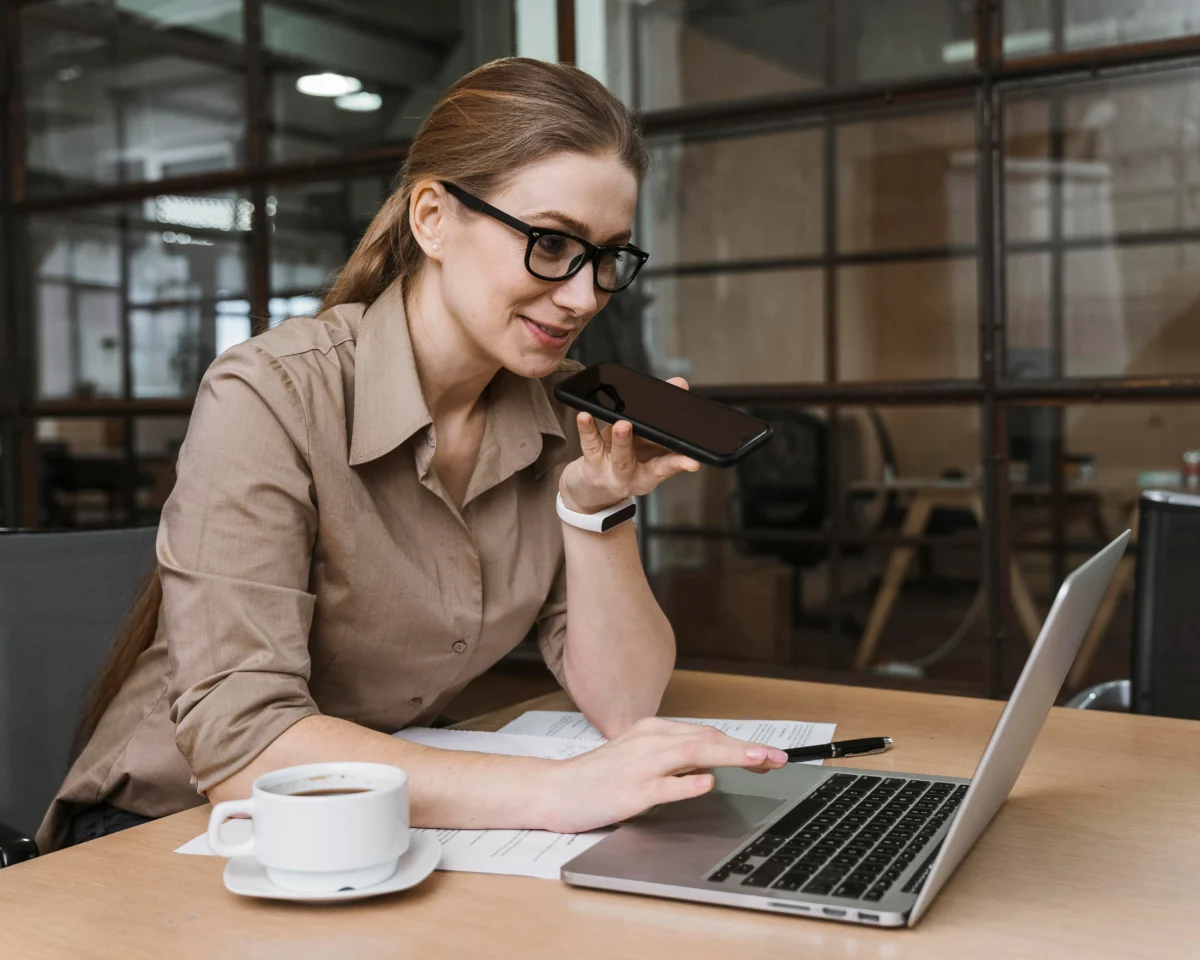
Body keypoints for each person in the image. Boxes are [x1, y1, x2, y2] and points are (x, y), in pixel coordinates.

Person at [39, 58, 788, 853]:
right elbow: (241, 745)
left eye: (606, 257)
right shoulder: (270, 394)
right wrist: (561, 791)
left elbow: (630, 706)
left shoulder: (561, 414)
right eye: (551, 243)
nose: (582, 295)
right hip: (166, 829)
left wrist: (595, 509)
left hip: (367, 821)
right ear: (432, 218)